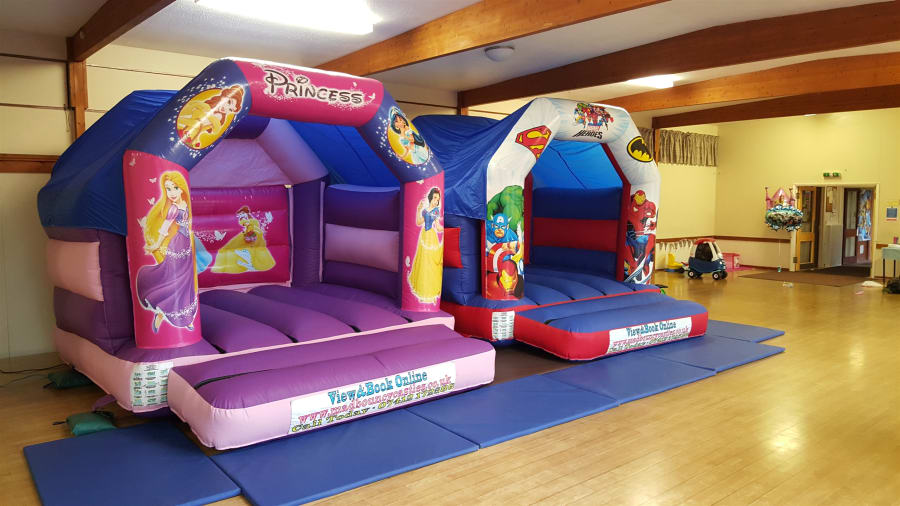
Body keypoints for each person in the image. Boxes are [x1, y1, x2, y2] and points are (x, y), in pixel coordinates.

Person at [136, 171, 198, 333]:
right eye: (168, 189)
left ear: (181, 188)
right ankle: (160, 313)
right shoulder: (173, 209)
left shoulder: (185, 203)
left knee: (187, 282)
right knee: (175, 281)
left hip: (187, 246)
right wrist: (156, 245)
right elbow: (164, 229)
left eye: (174, 188)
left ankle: (186, 318)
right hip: (177, 246)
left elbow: (188, 226)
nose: (171, 193)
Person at [211, 206, 276, 274]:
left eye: (242, 213)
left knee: (240, 249)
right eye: (240, 214)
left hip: (253, 237)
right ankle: (230, 264)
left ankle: (246, 262)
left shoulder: (253, 221)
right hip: (246, 236)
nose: (241, 215)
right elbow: (244, 225)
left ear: (246, 213)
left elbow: (256, 230)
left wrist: (250, 231)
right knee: (227, 248)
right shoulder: (245, 222)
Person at [408, 187, 443, 302]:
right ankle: (422, 291)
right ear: (430, 198)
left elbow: (438, 227)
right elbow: (418, 222)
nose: (436, 201)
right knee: (423, 263)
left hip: (431, 237)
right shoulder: (425, 210)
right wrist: (418, 210)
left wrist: (445, 229)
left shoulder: (436, 211)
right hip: (424, 236)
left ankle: (431, 291)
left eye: (438, 199)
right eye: (435, 198)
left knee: (431, 263)